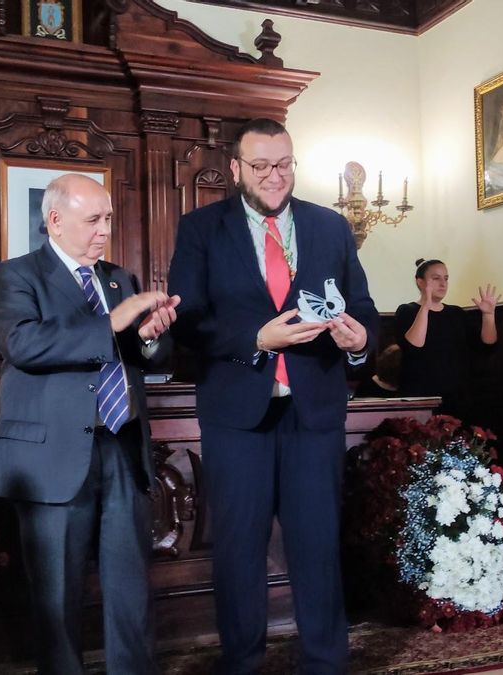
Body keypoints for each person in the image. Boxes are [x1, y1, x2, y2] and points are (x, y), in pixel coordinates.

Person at [167, 117, 378, 674]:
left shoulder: (331, 227)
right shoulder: (200, 229)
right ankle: (242, 664)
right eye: (260, 166)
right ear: (235, 169)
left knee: (317, 546)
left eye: (283, 164)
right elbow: (186, 322)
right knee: (238, 551)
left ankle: (326, 664)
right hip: (238, 416)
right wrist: (256, 338)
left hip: (315, 413)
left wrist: (360, 340)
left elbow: (363, 306)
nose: (274, 176)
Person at [0, 174, 179, 675]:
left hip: (121, 446)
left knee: (130, 588)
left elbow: (143, 358)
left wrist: (151, 336)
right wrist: (113, 323)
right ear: (55, 220)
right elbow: (24, 346)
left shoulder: (120, 279)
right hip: (52, 459)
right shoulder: (15, 276)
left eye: (108, 219)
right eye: (93, 220)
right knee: (56, 597)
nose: (103, 231)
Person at [394, 258, 497, 418]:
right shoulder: (406, 311)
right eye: (436, 278)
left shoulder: (456, 313)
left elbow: (487, 347)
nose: (443, 284)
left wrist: (488, 315)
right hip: (422, 397)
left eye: (446, 278)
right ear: (420, 282)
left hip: (457, 397)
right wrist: (426, 307)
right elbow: (413, 347)